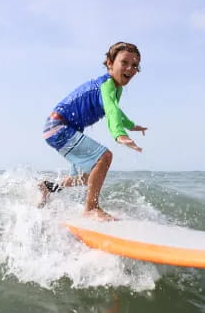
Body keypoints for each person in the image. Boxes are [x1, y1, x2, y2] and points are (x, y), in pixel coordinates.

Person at [39, 42, 147, 220]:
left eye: (135, 65)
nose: (130, 68)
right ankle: (91, 208)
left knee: (85, 176)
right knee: (104, 157)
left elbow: (115, 111)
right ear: (110, 63)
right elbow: (111, 110)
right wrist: (118, 134)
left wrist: (131, 125)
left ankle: (48, 187)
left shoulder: (115, 88)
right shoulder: (107, 85)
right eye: (124, 62)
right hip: (58, 127)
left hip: (61, 128)